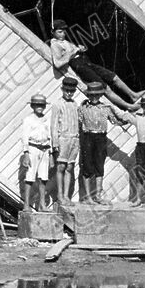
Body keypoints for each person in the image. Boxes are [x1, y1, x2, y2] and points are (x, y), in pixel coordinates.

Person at [48, 19, 142, 110]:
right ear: (53, 32)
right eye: (60, 32)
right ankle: (128, 106)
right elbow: (58, 63)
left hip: (85, 61)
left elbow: (73, 51)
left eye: (64, 31)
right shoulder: (55, 44)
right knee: (105, 88)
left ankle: (133, 95)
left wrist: (79, 49)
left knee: (113, 77)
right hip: (79, 66)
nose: (63, 34)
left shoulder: (64, 41)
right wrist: (72, 53)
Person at [78, 81, 129, 204]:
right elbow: (78, 123)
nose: (94, 97)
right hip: (88, 136)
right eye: (91, 95)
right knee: (87, 166)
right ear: (88, 95)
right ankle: (88, 197)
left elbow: (115, 121)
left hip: (100, 137)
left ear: (100, 96)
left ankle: (98, 195)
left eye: (96, 95)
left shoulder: (105, 108)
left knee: (99, 166)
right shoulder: (82, 108)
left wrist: (127, 120)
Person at [49, 75, 81, 204]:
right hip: (63, 139)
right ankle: (60, 195)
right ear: (62, 89)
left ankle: (67, 196)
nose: (69, 93)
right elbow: (54, 125)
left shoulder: (75, 104)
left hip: (74, 139)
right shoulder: (57, 104)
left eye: (71, 91)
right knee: (61, 166)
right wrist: (55, 143)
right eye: (66, 90)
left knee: (70, 167)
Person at [20, 94, 53, 212]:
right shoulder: (28, 120)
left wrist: (51, 154)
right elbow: (24, 137)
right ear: (32, 106)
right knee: (30, 177)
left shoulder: (47, 119)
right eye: (37, 105)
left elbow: (50, 136)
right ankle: (26, 205)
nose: (40, 107)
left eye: (42, 105)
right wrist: (26, 154)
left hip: (45, 149)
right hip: (33, 148)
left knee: (43, 177)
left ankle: (42, 205)